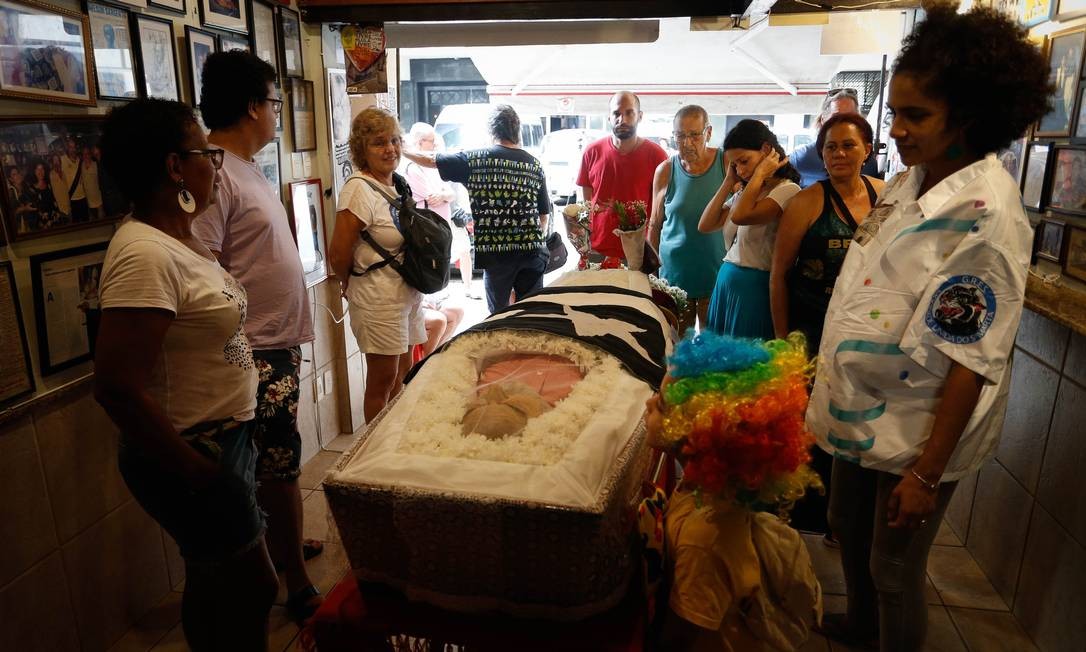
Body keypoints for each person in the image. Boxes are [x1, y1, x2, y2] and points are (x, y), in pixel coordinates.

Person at [805, 8, 1052, 651]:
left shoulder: (987, 216)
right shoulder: (912, 182)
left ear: (967, 118)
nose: (899, 131)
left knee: (894, 570)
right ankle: (858, 627)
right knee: (845, 529)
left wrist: (924, 475)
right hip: (859, 410)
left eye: (916, 116)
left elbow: (972, 359)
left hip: (918, 433)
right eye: (895, 113)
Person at [94, 98, 278, 650]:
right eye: (207, 155)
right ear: (175, 167)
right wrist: (195, 471)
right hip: (195, 449)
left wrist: (248, 378)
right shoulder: (145, 255)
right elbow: (116, 386)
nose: (215, 166)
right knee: (251, 587)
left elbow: (212, 332)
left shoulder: (181, 238)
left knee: (218, 579)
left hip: (223, 439)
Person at [191, 50, 322, 623]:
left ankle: (282, 550)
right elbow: (197, 265)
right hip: (252, 353)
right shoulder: (214, 173)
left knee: (277, 467)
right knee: (276, 469)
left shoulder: (243, 167)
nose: (277, 113)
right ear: (252, 107)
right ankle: (293, 581)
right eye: (274, 102)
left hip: (272, 347)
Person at [645, 331, 822, 652]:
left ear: (692, 432)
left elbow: (682, 632)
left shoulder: (705, 538)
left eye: (659, 405)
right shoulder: (708, 493)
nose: (647, 405)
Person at [769, 113, 885, 538]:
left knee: (856, 422)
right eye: (831, 147)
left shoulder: (886, 197)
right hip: (811, 328)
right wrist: (783, 341)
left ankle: (848, 518)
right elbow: (779, 273)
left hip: (866, 334)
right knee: (811, 423)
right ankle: (809, 519)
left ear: (867, 151)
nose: (838, 154)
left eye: (848, 145)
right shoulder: (806, 202)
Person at [402, 104, 549, 312]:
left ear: (491, 131)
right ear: (517, 130)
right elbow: (544, 215)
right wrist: (533, 243)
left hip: (497, 256)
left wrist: (402, 150)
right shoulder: (533, 164)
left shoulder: (475, 160)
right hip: (532, 252)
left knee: (498, 315)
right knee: (530, 314)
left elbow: (431, 160)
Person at [329, 108, 426, 420]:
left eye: (395, 140)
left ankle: (391, 446)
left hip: (405, 295)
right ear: (361, 149)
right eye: (379, 143)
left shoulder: (396, 183)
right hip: (377, 299)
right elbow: (338, 252)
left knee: (403, 372)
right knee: (382, 381)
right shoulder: (358, 189)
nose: (390, 149)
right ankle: (370, 453)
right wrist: (346, 281)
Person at [698, 119, 801, 338]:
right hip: (726, 282)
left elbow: (741, 216)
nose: (740, 170)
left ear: (766, 150)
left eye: (744, 161)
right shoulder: (747, 193)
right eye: (735, 165)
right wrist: (728, 182)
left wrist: (761, 174)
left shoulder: (788, 191)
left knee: (745, 362)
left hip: (754, 288)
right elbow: (705, 224)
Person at [649, 105, 726, 334]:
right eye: (680, 135)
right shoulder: (665, 170)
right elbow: (655, 223)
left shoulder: (726, 163)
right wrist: (649, 273)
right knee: (675, 347)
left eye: (694, 134)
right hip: (674, 278)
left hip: (715, 277)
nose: (687, 142)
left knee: (711, 350)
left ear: (708, 133)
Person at [578, 91, 668, 261]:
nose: (622, 119)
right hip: (598, 249)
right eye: (617, 113)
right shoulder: (592, 152)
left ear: (640, 116)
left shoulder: (657, 156)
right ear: (609, 117)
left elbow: (662, 207)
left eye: (629, 113)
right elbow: (586, 202)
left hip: (640, 252)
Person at [403, 122, 478, 298]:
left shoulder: (434, 166)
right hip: (428, 226)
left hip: (444, 221)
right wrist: (444, 194)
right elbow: (431, 195)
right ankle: (433, 294)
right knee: (433, 259)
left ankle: (459, 288)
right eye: (432, 141)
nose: (435, 144)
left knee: (459, 251)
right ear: (420, 142)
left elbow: (450, 192)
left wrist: (444, 195)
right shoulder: (413, 168)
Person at [791, 89, 880, 188]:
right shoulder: (800, 158)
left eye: (850, 117)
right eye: (836, 117)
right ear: (823, 119)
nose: (844, 124)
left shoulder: (868, 161)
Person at [60, 135, 89, 222]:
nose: (72, 149)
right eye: (70, 147)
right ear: (67, 148)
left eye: (74, 147)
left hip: (83, 198)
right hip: (71, 199)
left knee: (86, 223)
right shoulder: (62, 160)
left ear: (76, 148)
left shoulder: (80, 161)